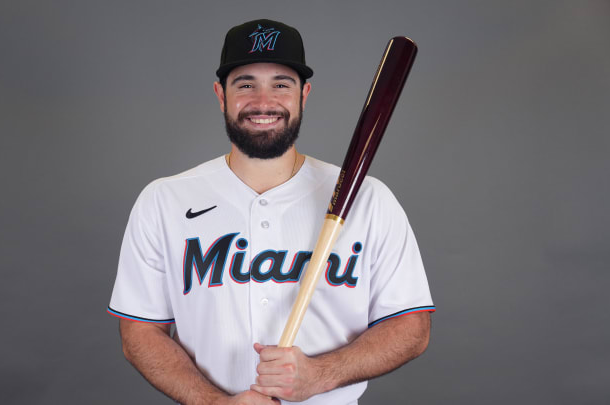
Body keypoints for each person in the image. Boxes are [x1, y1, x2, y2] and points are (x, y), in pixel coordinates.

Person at [108, 19, 435, 405]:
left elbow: (411, 328)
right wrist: (215, 404)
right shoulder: (164, 201)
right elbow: (140, 334)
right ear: (220, 94)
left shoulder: (369, 198)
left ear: (304, 94)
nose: (263, 102)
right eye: (246, 84)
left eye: (281, 84)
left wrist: (321, 375)